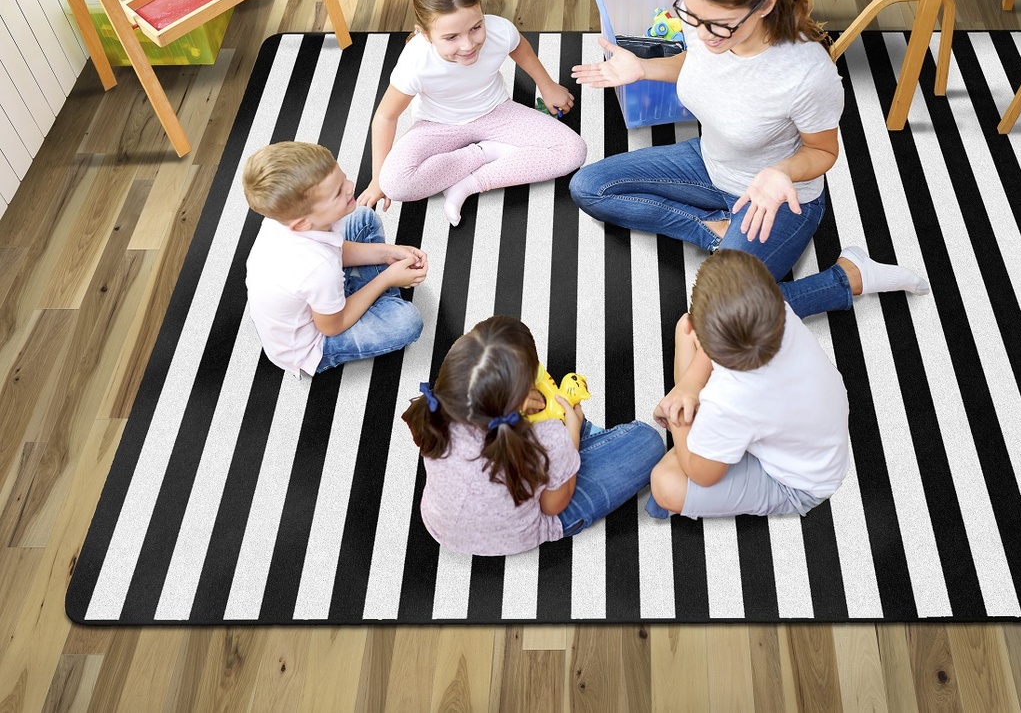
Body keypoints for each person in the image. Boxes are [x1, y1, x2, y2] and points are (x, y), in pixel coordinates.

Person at [569, 0, 929, 319]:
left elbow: (823, 151)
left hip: (776, 198)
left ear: (767, 4)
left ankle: (850, 276)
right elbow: (699, 63)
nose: (703, 34)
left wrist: (782, 173)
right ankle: (713, 229)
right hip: (709, 162)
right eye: (691, 15)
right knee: (590, 187)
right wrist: (644, 69)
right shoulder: (706, 17)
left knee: (721, 315)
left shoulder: (807, 73)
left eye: (719, 26)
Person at [402, 315, 665, 556]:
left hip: (441, 526)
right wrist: (570, 435)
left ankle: (580, 444)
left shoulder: (436, 415)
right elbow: (553, 506)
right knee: (647, 440)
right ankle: (582, 438)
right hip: (526, 529)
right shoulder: (548, 437)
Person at [357, 0, 588, 227]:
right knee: (396, 184)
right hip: (437, 125)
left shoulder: (500, 30)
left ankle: (468, 183)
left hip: (497, 112)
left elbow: (520, 48)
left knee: (573, 151)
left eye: (476, 28)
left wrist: (548, 87)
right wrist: (378, 178)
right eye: (451, 37)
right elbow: (386, 117)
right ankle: (483, 153)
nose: (468, 45)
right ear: (424, 33)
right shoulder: (415, 63)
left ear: (481, 12)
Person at [646, 250, 849, 520]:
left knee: (665, 483)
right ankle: (712, 435)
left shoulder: (729, 400)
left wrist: (677, 419)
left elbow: (702, 475)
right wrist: (690, 384)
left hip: (799, 483)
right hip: (814, 439)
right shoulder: (777, 312)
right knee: (688, 329)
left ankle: (701, 432)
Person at [242, 141, 427, 378]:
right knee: (406, 322)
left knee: (363, 217)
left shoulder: (284, 222)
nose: (351, 187)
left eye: (343, 179)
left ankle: (366, 296)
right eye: (338, 193)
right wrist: (387, 279)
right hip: (316, 342)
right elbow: (333, 326)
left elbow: (334, 250)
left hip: (318, 291)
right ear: (302, 224)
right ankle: (377, 297)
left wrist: (386, 252)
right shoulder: (317, 269)